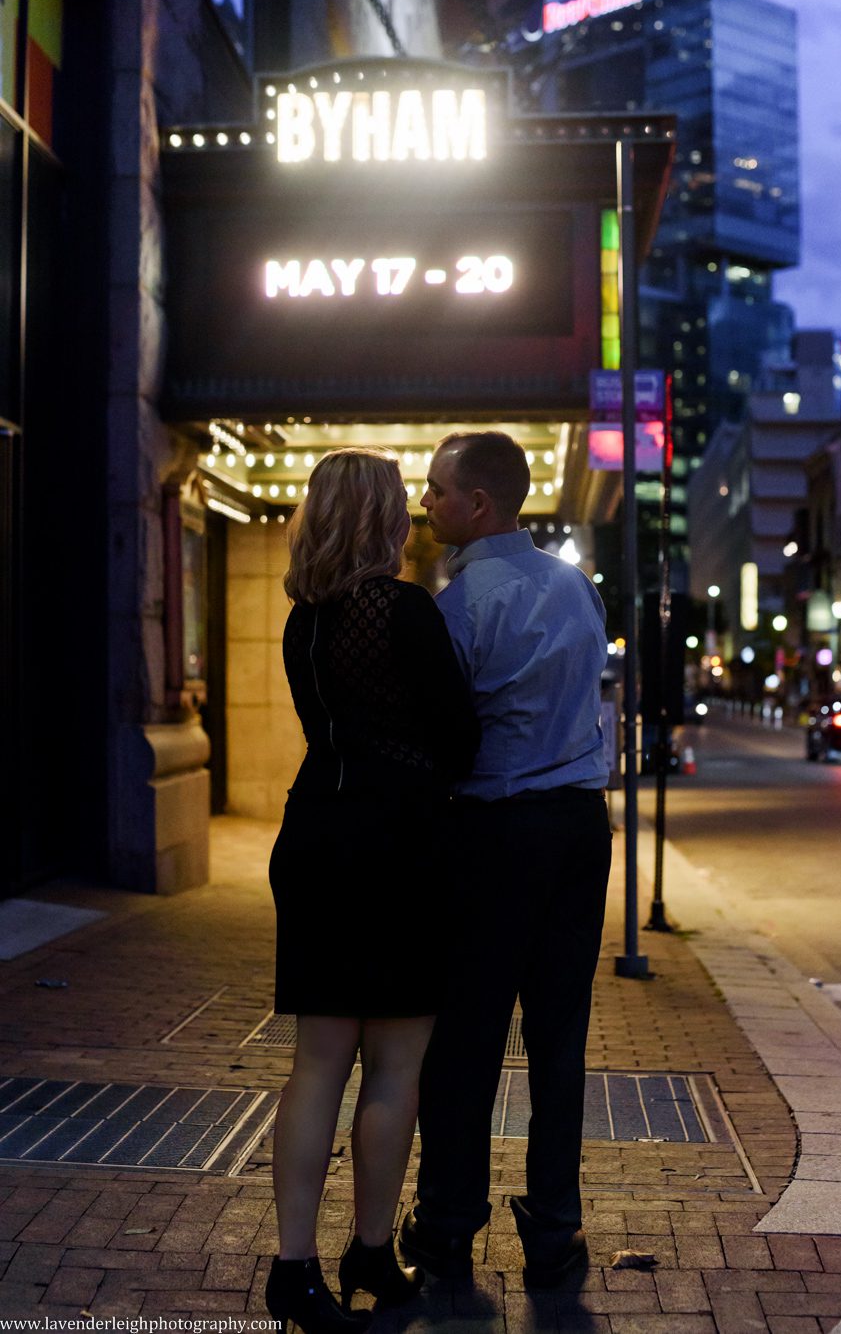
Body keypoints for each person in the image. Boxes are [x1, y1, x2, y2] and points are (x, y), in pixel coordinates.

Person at [266, 449, 480, 1334]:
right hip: (400, 847)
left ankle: (295, 1267)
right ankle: (369, 1251)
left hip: (316, 836)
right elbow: (459, 736)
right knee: (395, 1067)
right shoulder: (405, 610)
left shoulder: (302, 621)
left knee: (318, 1062)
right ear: (383, 519)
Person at [400, 430, 613, 1290]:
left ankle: (450, 1223)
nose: (425, 504)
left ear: (477, 505)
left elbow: (442, 735)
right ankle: (554, 1230)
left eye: (436, 491)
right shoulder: (576, 589)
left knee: (468, 1034)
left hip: (494, 832)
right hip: (579, 829)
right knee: (559, 1036)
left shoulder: (459, 606)